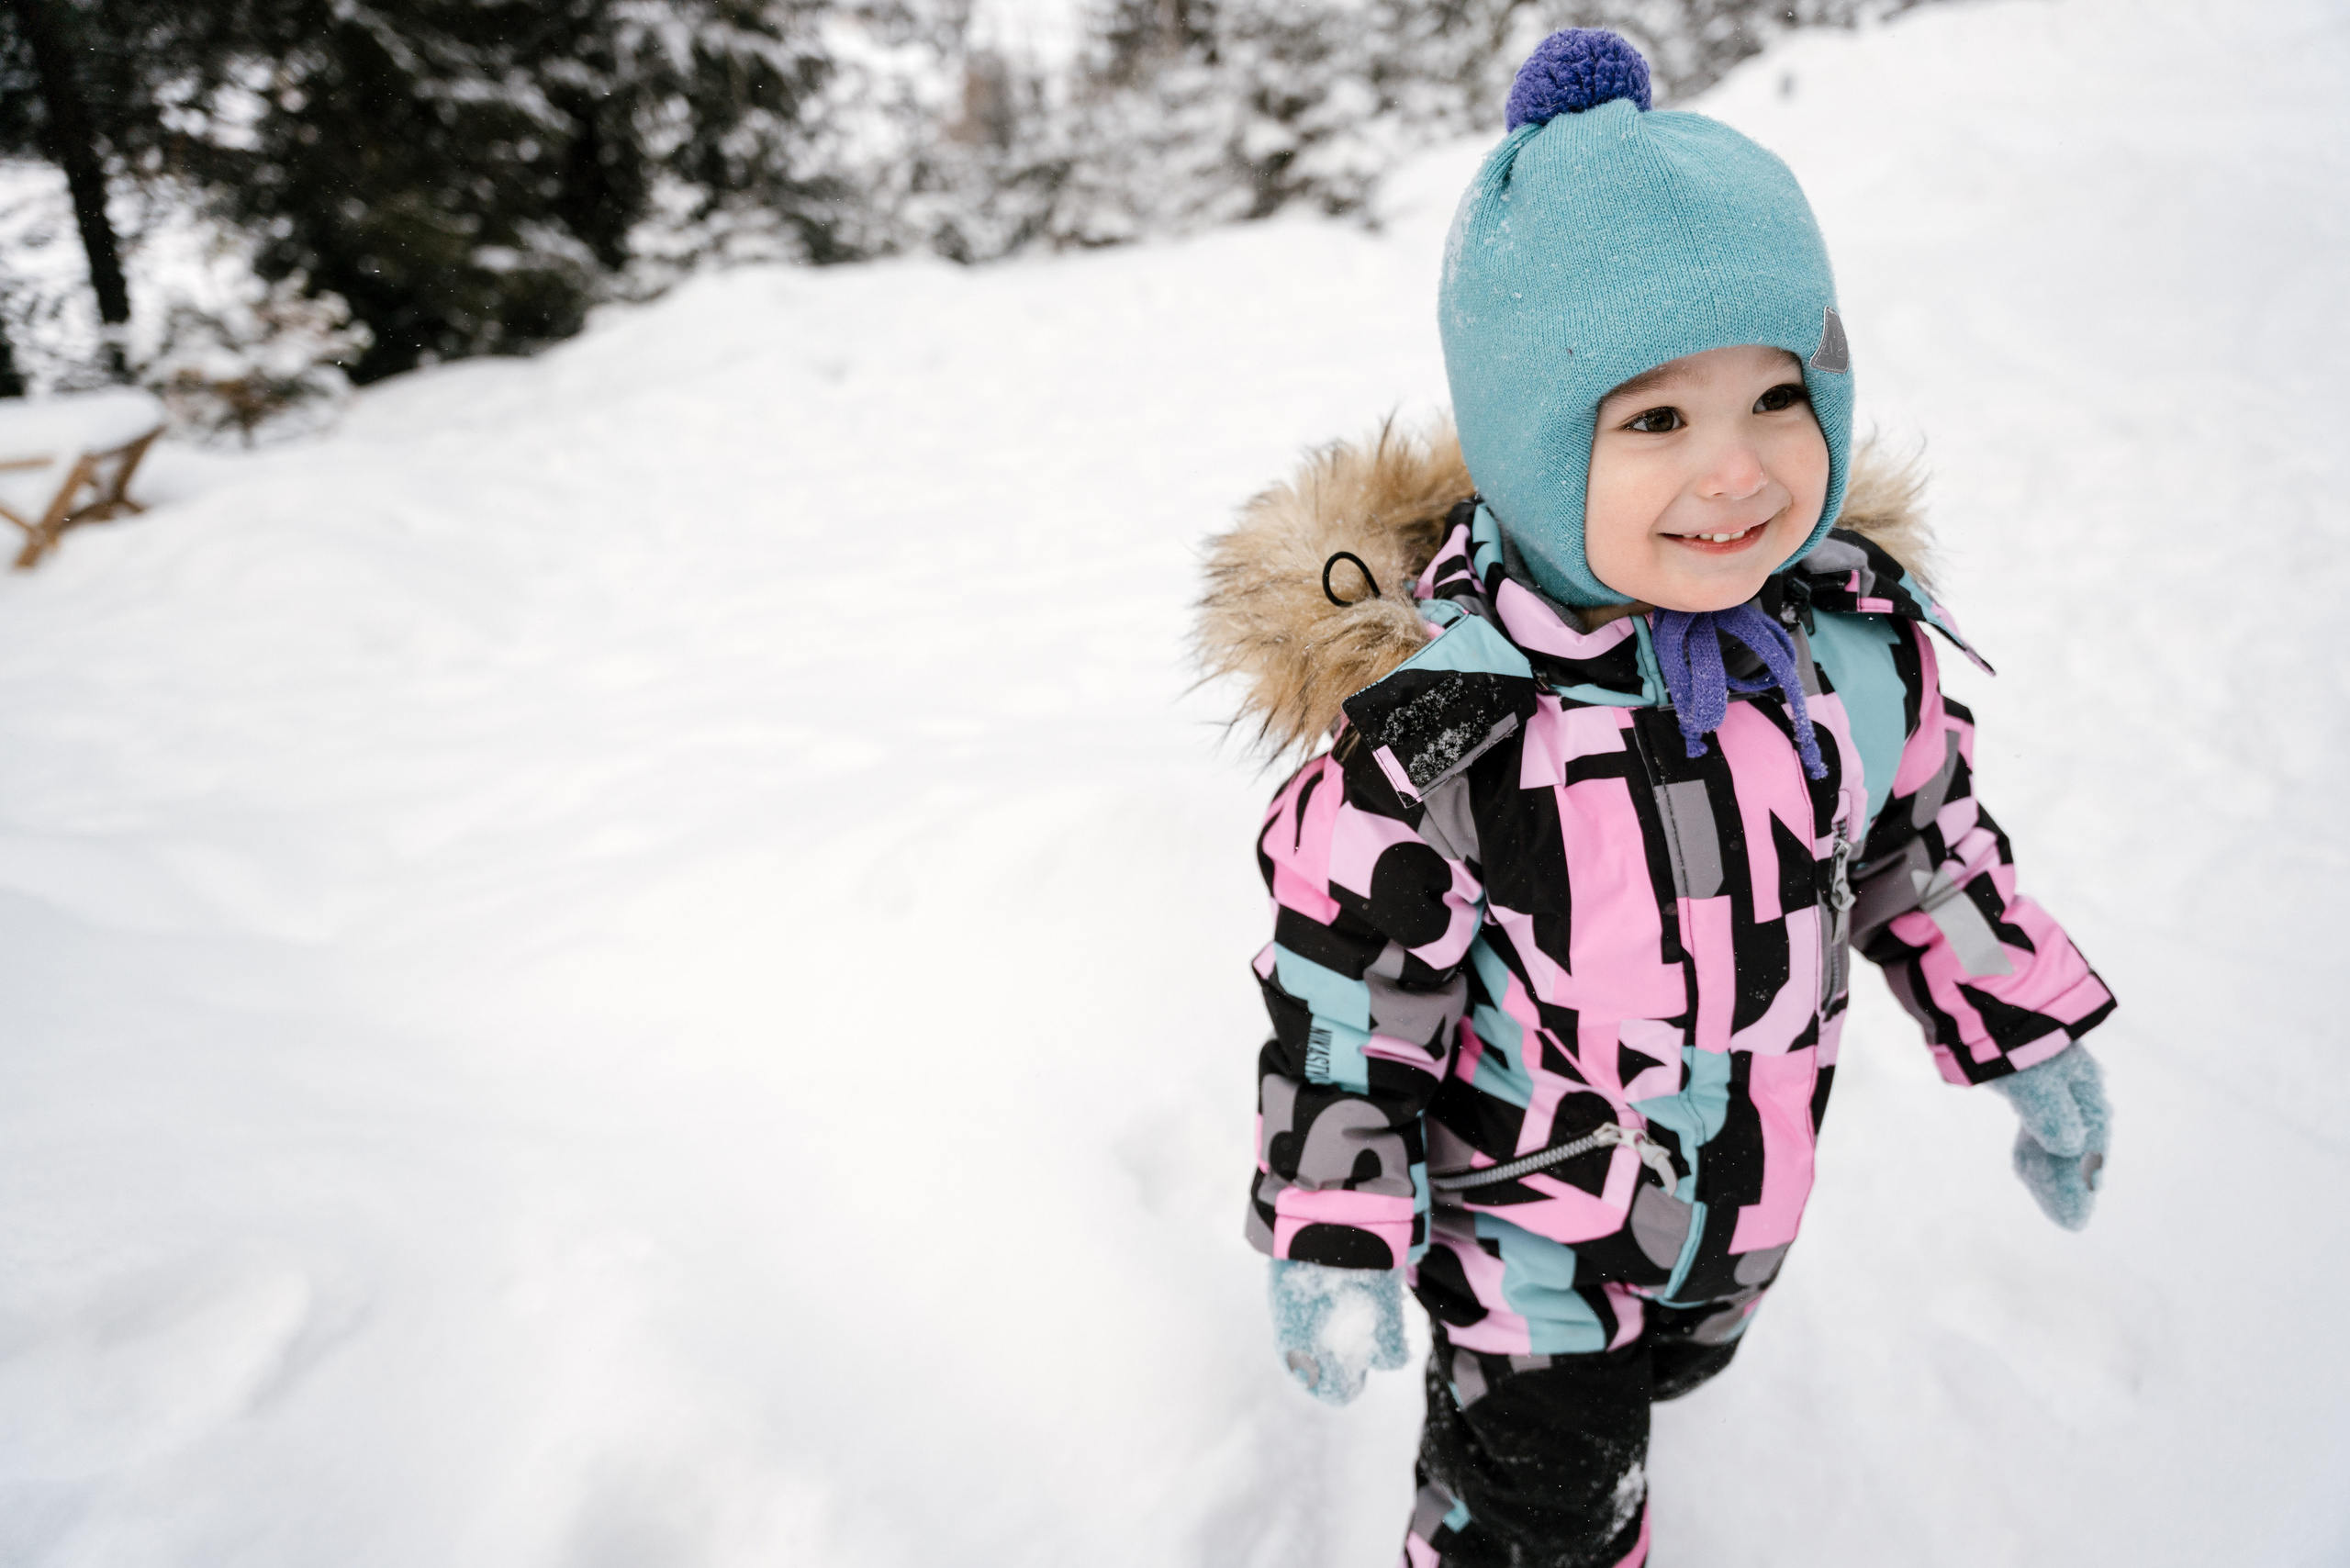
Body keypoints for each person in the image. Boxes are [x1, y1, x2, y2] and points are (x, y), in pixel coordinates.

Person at [1193, 29, 2116, 1568]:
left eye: (1777, 394)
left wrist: (2027, 1030)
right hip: (1529, 1249)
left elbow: (1923, 859)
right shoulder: (1453, 729)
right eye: (1657, 421)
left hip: (1745, 1208)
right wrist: (1336, 1225)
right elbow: (1351, 998)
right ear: (1537, 455)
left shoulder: (1849, 650)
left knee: (1677, 1377)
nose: (1740, 470)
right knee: (1541, 1515)